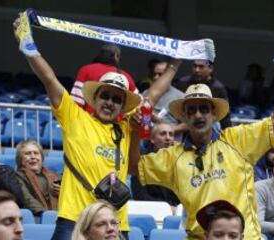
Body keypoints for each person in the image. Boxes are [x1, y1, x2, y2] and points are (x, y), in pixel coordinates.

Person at [14, 16, 181, 240]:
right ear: (95, 98)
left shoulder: (125, 125)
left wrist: (176, 62)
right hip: (74, 219)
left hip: (115, 222)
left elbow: (154, 94)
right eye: (105, 96)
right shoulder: (75, 118)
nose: (109, 102)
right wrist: (27, 45)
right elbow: (49, 78)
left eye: (116, 99)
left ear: (122, 106)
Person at [130, 55, 274, 238]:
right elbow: (134, 167)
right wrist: (135, 132)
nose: (198, 115)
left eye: (204, 109)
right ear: (184, 118)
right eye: (191, 110)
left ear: (214, 115)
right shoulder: (171, 157)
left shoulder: (237, 140)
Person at [70, 43, 139, 115]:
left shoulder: (86, 70)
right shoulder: (126, 77)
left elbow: (76, 102)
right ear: (116, 56)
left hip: (86, 122)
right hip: (115, 124)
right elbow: (137, 105)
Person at [131, 122, 180, 208]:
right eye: (163, 134)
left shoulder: (180, 161)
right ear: (152, 139)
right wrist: (166, 207)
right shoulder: (142, 161)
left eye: (171, 134)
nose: (168, 138)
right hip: (151, 212)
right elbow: (139, 195)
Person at [174, 59, 231, 129]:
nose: (197, 70)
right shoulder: (182, 82)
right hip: (183, 125)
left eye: (201, 67)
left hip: (209, 127)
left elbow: (225, 116)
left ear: (211, 69)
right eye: (194, 66)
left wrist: (227, 134)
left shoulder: (218, 88)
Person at [15, 140, 60, 216]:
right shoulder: (16, 176)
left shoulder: (54, 176)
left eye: (36, 153)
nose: (33, 157)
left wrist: (62, 194)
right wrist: (46, 216)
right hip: (36, 216)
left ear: (41, 157)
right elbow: (27, 199)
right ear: (20, 159)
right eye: (28, 153)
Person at [143, 60, 184, 125]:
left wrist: (170, 130)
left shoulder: (180, 96)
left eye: (160, 75)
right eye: (154, 74)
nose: (155, 77)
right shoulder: (145, 93)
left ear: (169, 76)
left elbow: (188, 124)